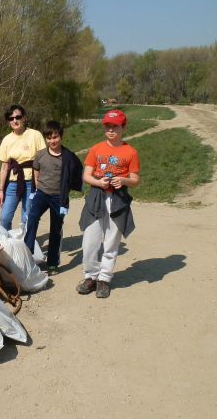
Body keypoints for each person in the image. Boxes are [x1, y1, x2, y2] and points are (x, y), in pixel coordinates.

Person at [77, 109, 141, 299]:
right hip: (96, 197)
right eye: (108, 126)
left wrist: (123, 180)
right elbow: (86, 175)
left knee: (112, 241)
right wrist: (98, 182)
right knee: (90, 240)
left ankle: (104, 279)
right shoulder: (96, 149)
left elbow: (136, 179)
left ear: (123, 128)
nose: (111, 130)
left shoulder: (130, 152)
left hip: (118, 199)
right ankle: (91, 276)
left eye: (115, 126)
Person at [23, 121, 83, 276]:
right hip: (42, 194)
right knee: (32, 220)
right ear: (45, 139)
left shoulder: (68, 157)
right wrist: (35, 191)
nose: (52, 141)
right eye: (49, 138)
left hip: (58, 198)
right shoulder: (41, 154)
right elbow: (36, 172)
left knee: (55, 229)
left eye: (55, 137)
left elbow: (77, 172)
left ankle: (52, 264)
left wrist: (67, 191)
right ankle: (27, 257)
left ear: (61, 136)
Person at [0, 104, 46, 230]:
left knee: (27, 217)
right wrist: (1, 190)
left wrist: (40, 186)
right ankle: (8, 243)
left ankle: (27, 244)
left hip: (31, 183)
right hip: (12, 183)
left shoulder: (35, 135)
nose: (15, 120)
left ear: (24, 118)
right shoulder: (7, 139)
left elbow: (43, 161)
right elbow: (4, 167)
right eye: (11, 118)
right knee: (5, 217)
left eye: (18, 117)